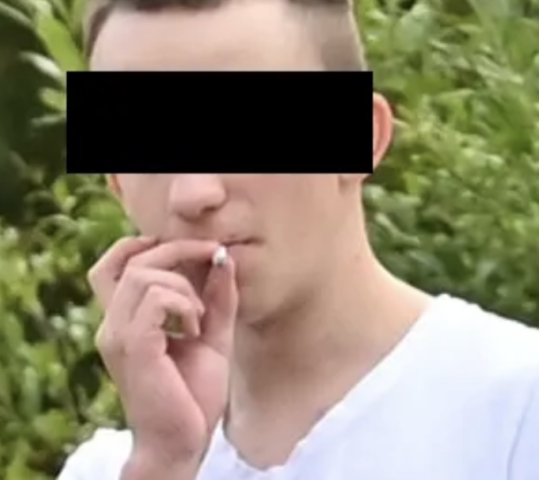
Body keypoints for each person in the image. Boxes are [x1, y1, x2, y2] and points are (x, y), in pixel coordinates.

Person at [58, 0, 539, 478]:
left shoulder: (517, 411)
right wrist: (164, 464)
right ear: (116, 181)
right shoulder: (108, 470)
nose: (194, 192)